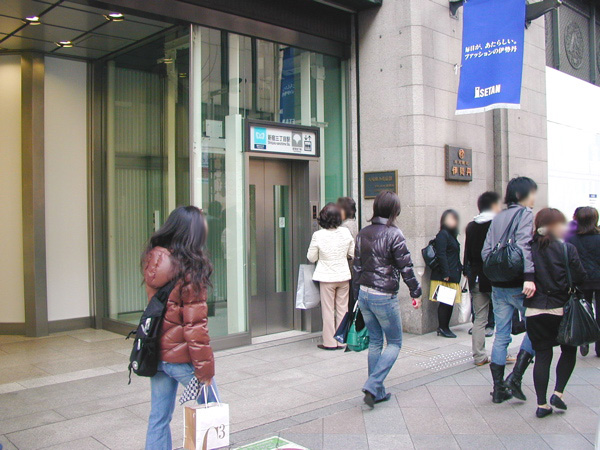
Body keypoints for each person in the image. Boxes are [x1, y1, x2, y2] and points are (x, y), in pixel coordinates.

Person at [142, 206, 219, 450]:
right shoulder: (190, 267)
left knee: (158, 418)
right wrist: (205, 371)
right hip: (180, 357)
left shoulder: (155, 259)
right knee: (213, 407)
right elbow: (195, 328)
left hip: (157, 352)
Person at [353, 191, 422, 408]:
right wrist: (416, 292)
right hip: (383, 296)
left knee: (375, 341)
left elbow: (356, 267)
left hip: (364, 293)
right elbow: (406, 267)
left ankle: (377, 391)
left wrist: (356, 296)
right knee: (394, 342)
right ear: (395, 210)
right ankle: (373, 385)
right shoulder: (394, 233)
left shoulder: (363, 233)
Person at [525, 208, 586, 418]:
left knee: (542, 355)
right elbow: (580, 276)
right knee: (568, 351)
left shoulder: (528, 248)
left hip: (534, 309)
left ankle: (541, 405)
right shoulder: (567, 249)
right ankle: (558, 393)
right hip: (561, 309)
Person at [482, 176, 537, 404]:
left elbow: (486, 251)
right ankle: (515, 377)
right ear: (521, 195)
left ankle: (498, 389)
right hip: (519, 284)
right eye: (532, 193)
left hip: (498, 285)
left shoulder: (498, 217)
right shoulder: (526, 214)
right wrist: (529, 277)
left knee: (501, 335)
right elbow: (524, 246)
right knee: (536, 329)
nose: (534, 198)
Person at [307, 203, 355, 350]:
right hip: (343, 276)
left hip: (326, 278)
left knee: (328, 310)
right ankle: (342, 340)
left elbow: (311, 257)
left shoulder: (318, 235)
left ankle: (329, 342)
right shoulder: (345, 232)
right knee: (343, 309)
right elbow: (353, 253)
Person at [465, 192, 502, 365]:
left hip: (476, 278)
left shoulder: (471, 226)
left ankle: (479, 356)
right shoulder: (497, 224)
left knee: (479, 319)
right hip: (495, 278)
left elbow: (467, 254)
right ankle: (501, 354)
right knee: (502, 317)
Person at [568, 206, 600, 357]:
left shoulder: (571, 239)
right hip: (598, 279)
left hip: (581, 280)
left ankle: (585, 338)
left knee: (584, 309)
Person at [429, 210, 462, 338]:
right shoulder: (443, 235)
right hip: (445, 275)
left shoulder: (451, 235)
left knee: (449, 303)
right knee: (445, 303)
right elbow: (441, 254)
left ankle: (445, 327)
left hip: (453, 273)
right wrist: (445, 273)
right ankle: (443, 327)